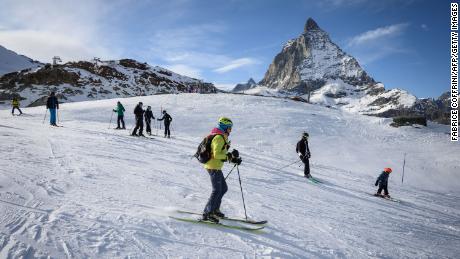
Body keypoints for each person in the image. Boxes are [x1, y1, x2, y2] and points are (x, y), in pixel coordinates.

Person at [202, 117, 242, 223]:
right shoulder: (218, 138)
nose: (231, 130)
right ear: (224, 127)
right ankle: (207, 213)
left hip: (216, 166)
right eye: (229, 128)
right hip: (212, 166)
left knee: (223, 188)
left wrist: (233, 159)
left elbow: (222, 154)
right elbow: (216, 154)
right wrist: (229, 156)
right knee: (217, 190)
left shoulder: (222, 137)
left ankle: (215, 210)